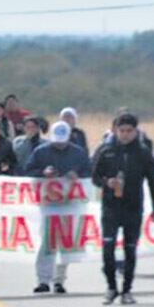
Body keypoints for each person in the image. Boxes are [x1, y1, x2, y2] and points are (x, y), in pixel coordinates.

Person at [91, 114, 154, 305]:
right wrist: (107, 182)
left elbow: (153, 182)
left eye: (129, 131)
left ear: (135, 131)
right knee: (108, 248)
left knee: (130, 250)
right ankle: (111, 287)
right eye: (122, 130)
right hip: (111, 208)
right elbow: (94, 177)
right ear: (116, 130)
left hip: (133, 208)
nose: (125, 135)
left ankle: (127, 290)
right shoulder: (105, 150)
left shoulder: (143, 152)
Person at [24, 121, 93, 294]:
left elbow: (90, 174)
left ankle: (59, 280)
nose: (59, 144)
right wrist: (43, 174)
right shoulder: (41, 152)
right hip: (48, 204)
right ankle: (43, 280)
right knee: (48, 242)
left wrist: (77, 176)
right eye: (56, 141)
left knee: (66, 242)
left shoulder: (79, 153)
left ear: (69, 137)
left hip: (71, 204)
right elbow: (27, 171)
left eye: (62, 141)